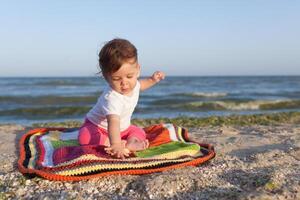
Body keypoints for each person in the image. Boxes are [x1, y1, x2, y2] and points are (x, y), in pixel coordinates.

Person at [78, 38, 165, 159]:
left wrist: (152, 80)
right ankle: (113, 142)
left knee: (139, 132)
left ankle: (131, 142)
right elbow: (113, 122)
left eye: (129, 76)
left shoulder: (133, 85)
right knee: (85, 137)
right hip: (98, 127)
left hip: (123, 129)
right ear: (106, 77)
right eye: (117, 79)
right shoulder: (112, 98)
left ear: (137, 70)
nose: (124, 83)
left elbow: (141, 85)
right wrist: (116, 145)